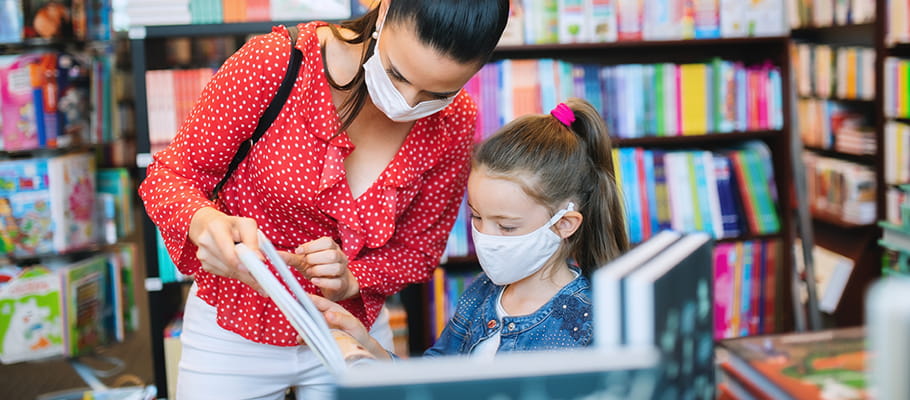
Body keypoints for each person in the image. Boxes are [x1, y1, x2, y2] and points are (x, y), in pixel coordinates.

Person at [137, 0, 509, 398]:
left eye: (437, 93)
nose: (407, 103)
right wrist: (204, 223)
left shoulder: (455, 121)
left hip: (351, 332)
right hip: (233, 323)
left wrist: (353, 279)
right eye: (396, 74)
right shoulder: (277, 62)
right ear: (382, 12)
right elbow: (171, 174)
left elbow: (418, 250)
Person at [312, 98, 630, 361]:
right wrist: (363, 343)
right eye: (477, 217)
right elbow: (436, 380)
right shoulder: (482, 293)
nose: (487, 237)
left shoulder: (591, 319)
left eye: (506, 226)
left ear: (563, 224)